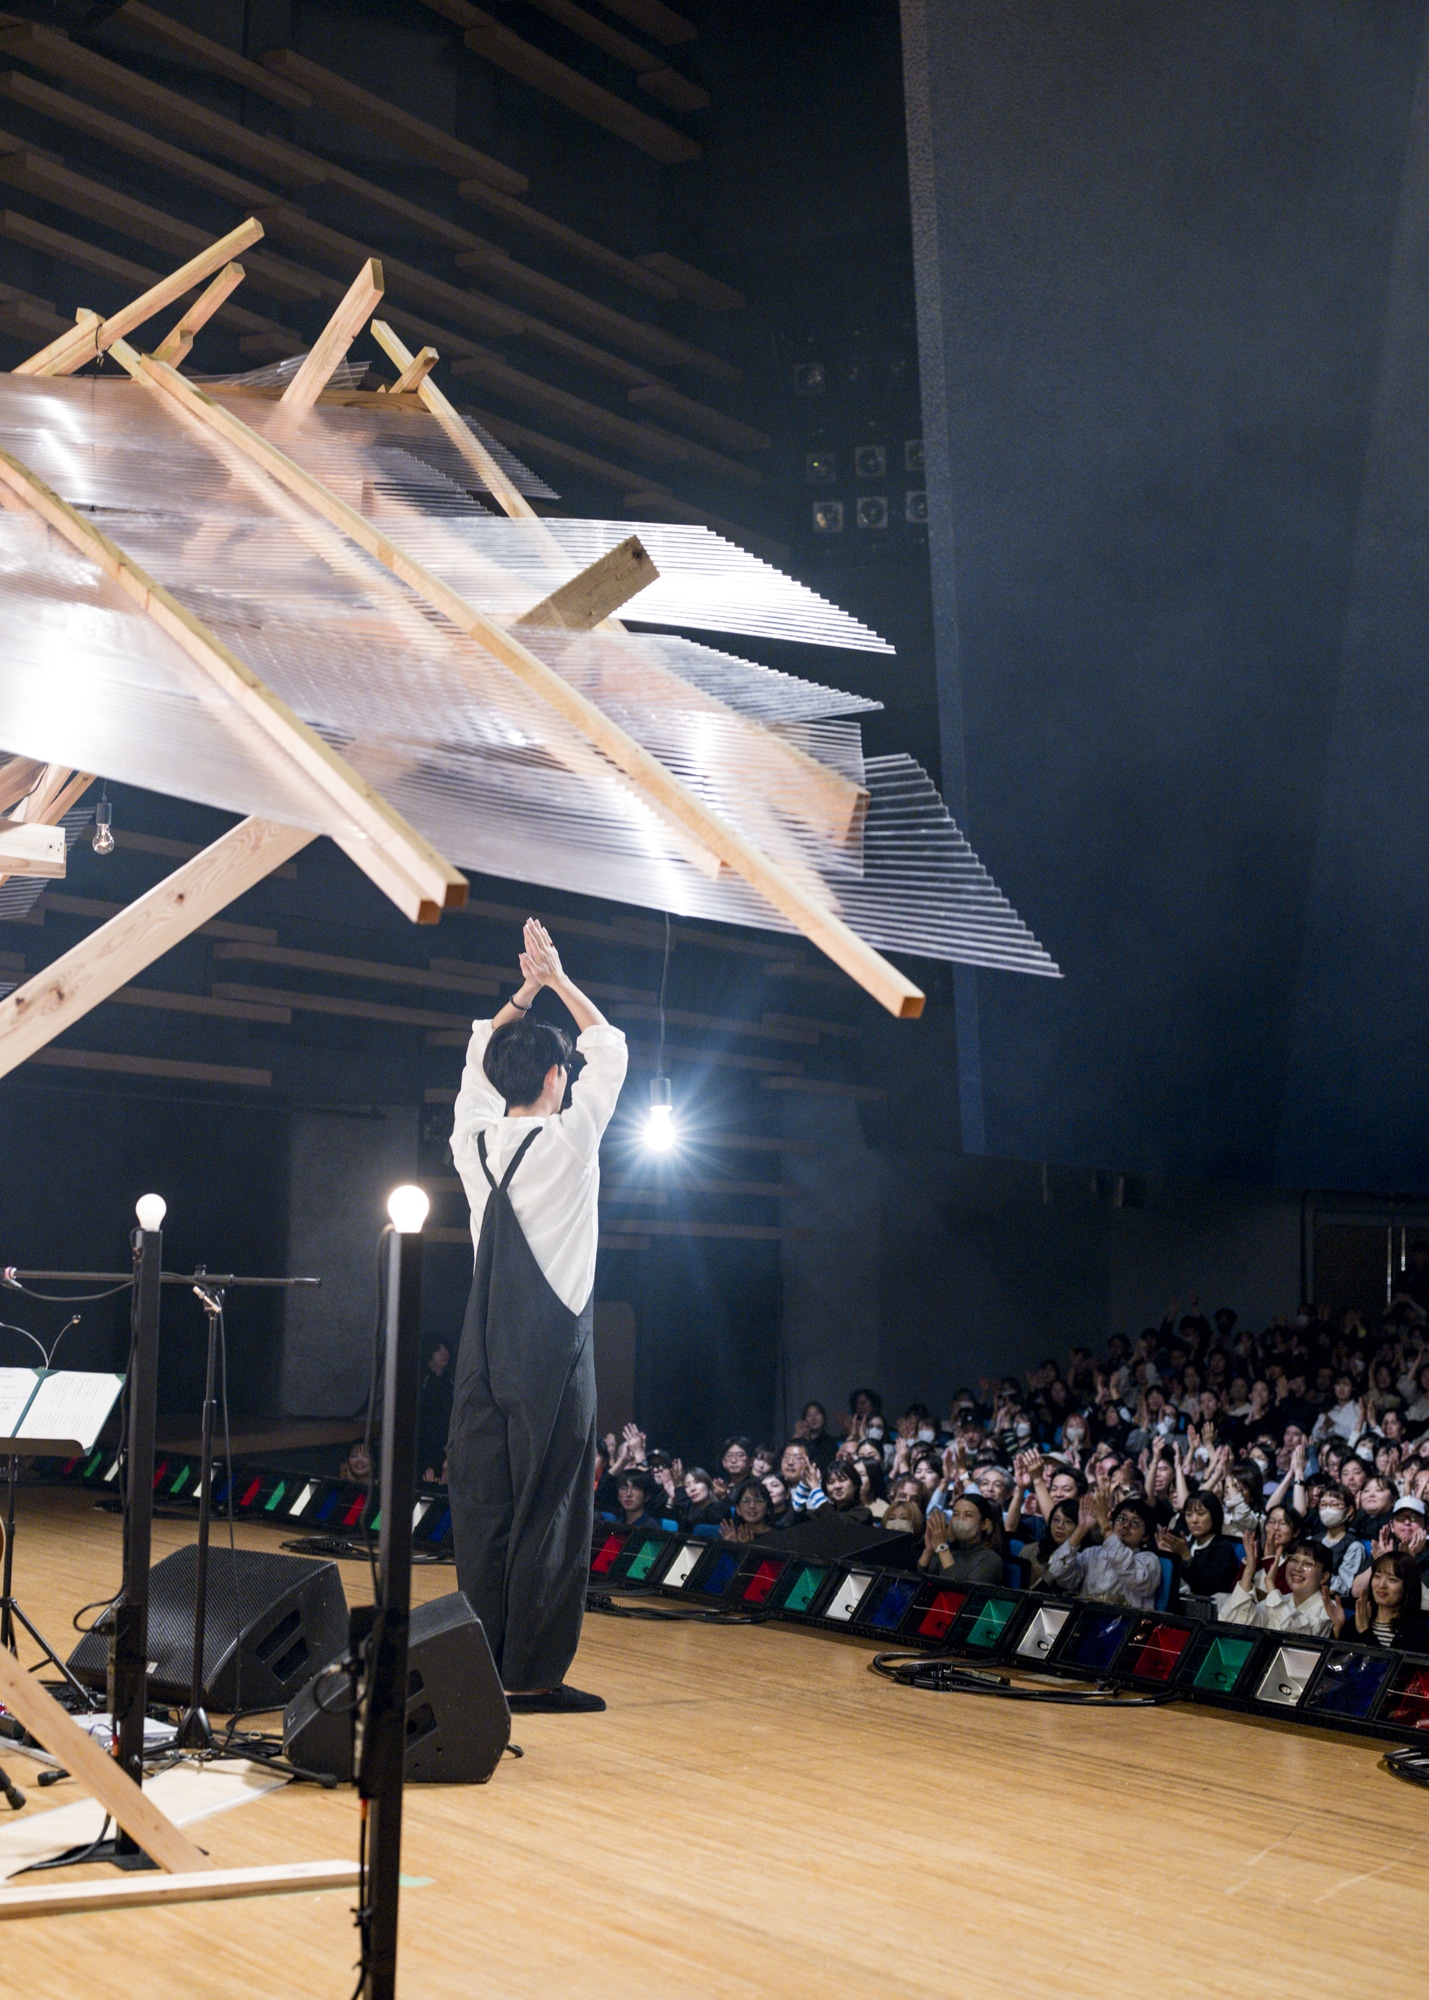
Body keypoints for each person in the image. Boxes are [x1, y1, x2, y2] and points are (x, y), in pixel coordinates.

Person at [446, 919, 627, 1714]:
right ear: (558, 1077)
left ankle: (480, 1664)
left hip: (481, 1348)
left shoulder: (471, 1139)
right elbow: (610, 1045)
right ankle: (530, 1675)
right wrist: (556, 980)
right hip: (551, 1349)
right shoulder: (571, 1141)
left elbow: (480, 1053)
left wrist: (524, 990)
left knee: (482, 1504)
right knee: (550, 1507)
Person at [1046, 1489, 1162, 1610]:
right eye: (1121, 1519)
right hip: (1085, 1620)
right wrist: (1082, 1528)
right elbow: (1057, 1573)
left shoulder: (1149, 1560)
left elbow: (1129, 1572)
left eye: (1135, 1523)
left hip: (1125, 1625)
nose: (1126, 1525)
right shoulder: (1092, 1553)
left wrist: (1105, 1525)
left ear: (1145, 1536)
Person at [1220, 1534, 1335, 1636]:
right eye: (1294, 1560)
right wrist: (1249, 1571)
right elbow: (1236, 1623)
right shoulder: (1282, 1600)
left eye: (1308, 1563)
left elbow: (1292, 1633)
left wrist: (1270, 1584)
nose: (1298, 1568)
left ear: (1323, 1577)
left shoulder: (1328, 1608)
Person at [1333, 1551, 1429, 1650]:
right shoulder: (1358, 1620)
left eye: (1392, 1579)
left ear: (1408, 1586)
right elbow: (1339, 1660)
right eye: (1377, 1577)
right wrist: (1338, 1628)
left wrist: (1365, 1632)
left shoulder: (1417, 1632)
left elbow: (1388, 1664)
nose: (1381, 1585)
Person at [1158, 1490, 1239, 1603]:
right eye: (1189, 1514)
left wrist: (1186, 1556)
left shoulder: (1223, 1549)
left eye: (1201, 1514)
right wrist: (1167, 1558)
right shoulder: (1185, 1544)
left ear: (1214, 1514)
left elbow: (1208, 1590)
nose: (1194, 1520)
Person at [918, 1493, 1006, 1583]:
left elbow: (959, 1589)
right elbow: (919, 1579)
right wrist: (928, 1550)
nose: (960, 1519)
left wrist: (942, 1547)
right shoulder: (949, 1552)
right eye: (956, 1514)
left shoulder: (990, 1560)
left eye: (968, 1515)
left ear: (984, 1524)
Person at [417, 1341, 454, 1485]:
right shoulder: (422, 1382)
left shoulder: (450, 1382)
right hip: (427, 1447)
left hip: (448, 1445)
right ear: (429, 1354)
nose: (444, 1353)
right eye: (438, 1349)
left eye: (446, 1348)